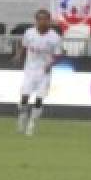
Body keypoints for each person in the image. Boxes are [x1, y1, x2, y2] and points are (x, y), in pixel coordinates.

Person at [12, 9, 63, 137]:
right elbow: (23, 46)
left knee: (39, 99)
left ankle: (32, 124)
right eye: (40, 19)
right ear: (36, 20)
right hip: (29, 71)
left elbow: (58, 55)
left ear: (49, 21)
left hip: (44, 72)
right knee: (24, 98)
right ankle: (22, 117)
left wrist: (50, 64)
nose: (42, 22)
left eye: (45, 19)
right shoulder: (29, 33)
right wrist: (18, 56)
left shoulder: (55, 37)